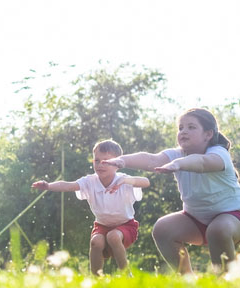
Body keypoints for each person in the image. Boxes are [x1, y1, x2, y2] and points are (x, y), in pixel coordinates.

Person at [103, 108, 240, 274]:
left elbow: (203, 163)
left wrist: (179, 164)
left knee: (218, 230)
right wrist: (121, 160)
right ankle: (188, 281)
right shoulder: (177, 154)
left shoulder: (219, 153)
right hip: (197, 220)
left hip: (232, 217)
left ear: (208, 134)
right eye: (181, 128)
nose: (184, 132)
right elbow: (152, 159)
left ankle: (225, 281)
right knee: (163, 229)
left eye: (191, 127)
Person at [32, 139, 150, 275]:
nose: (100, 165)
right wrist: (48, 186)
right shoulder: (90, 181)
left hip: (126, 225)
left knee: (113, 236)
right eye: (97, 160)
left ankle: (126, 275)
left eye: (106, 161)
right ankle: (96, 278)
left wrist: (126, 181)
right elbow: (69, 185)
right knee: (96, 242)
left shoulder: (124, 179)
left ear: (117, 164)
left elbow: (146, 182)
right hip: (102, 226)